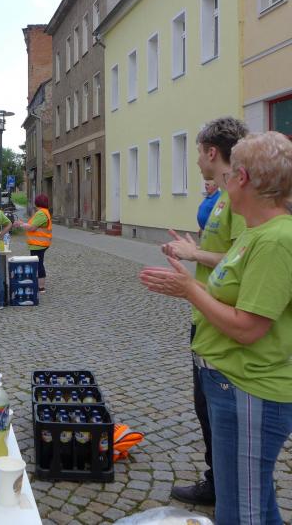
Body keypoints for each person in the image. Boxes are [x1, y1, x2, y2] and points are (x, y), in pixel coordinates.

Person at [140, 131, 292, 525]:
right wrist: (187, 284)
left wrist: (190, 289)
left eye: (231, 174)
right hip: (230, 383)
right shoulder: (256, 232)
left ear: (243, 178)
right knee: (257, 505)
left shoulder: (275, 240)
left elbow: (248, 328)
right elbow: (234, 298)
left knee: (240, 513)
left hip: (249, 390)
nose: (224, 181)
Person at [160, 117, 248, 506]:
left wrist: (194, 255)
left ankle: (227, 491)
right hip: (206, 316)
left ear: (213, 152)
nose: (196, 160)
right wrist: (192, 251)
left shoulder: (239, 199)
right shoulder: (223, 197)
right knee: (205, 408)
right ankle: (219, 483)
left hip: (222, 321)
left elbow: (243, 258)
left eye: (198, 152)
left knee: (218, 413)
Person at [17, 193, 52, 293]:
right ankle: (39, 285)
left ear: (37, 202)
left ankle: (41, 287)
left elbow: (32, 227)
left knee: (38, 265)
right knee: (38, 264)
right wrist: (23, 224)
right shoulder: (44, 212)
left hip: (38, 243)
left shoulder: (41, 213)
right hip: (39, 243)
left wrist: (21, 224)